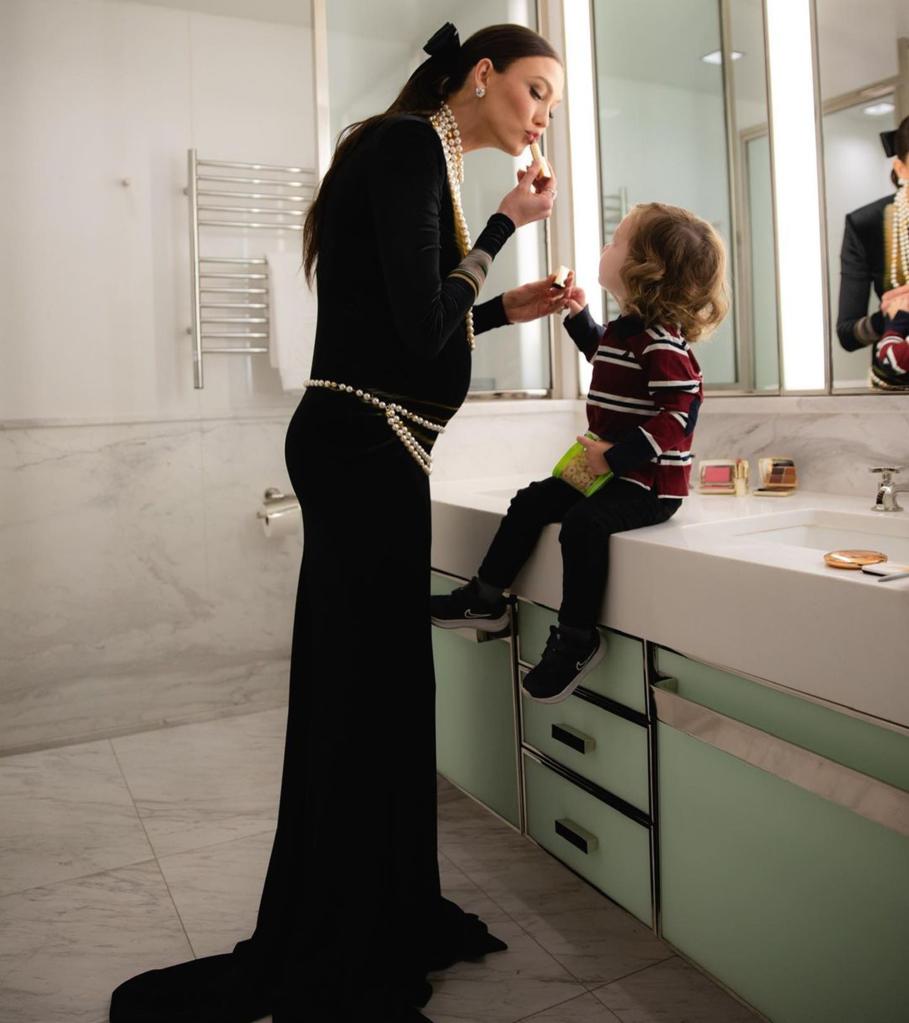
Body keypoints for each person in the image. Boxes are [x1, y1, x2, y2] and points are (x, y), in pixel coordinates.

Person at [108, 21, 566, 1023]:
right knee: (368, 696)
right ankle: (348, 933)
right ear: (482, 76)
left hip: (368, 442)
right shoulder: (408, 149)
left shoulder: (419, 158)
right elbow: (412, 325)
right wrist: (500, 233)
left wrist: (505, 309)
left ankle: (378, 908)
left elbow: (414, 324)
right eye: (536, 92)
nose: (542, 119)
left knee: (381, 693)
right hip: (364, 450)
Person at [431, 202, 728, 704]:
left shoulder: (663, 345)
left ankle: (576, 639)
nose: (604, 247)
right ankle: (484, 599)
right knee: (530, 501)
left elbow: (679, 414)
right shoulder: (627, 331)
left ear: (645, 269)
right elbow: (607, 362)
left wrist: (615, 458)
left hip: (648, 484)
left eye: (616, 241)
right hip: (609, 471)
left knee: (583, 525)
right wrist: (579, 317)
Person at [837, 115, 909, 389]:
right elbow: (848, 334)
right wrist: (892, 316)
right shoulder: (866, 224)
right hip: (897, 386)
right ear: (900, 168)